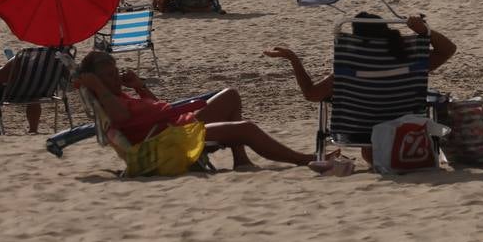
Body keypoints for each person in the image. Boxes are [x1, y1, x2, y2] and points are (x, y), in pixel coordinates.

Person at [74, 51, 314, 169]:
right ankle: (301, 160)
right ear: (96, 80)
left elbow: (153, 108)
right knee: (246, 129)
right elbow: (124, 118)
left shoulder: (118, 95)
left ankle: (241, 160)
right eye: (109, 76)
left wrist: (139, 87)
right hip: (170, 139)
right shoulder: (109, 102)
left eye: (116, 73)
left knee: (230, 95)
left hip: (176, 125)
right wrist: (96, 85)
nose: (116, 79)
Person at [263, 13, 456, 104]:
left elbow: (311, 95)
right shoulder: (409, 59)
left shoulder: (354, 64)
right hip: (405, 128)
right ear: (386, 31)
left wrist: (293, 59)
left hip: (362, 130)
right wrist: (425, 31)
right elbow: (448, 49)